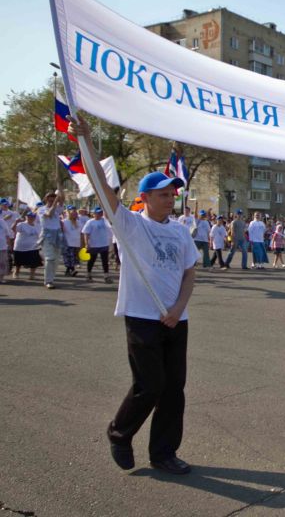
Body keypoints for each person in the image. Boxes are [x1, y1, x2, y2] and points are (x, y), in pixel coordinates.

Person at [70, 118, 199, 476]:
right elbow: (101, 186)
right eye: (163, 194)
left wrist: (177, 308)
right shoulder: (129, 225)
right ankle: (119, 433)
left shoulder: (181, 232)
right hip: (142, 316)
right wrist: (86, 143)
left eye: (173, 193)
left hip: (176, 319)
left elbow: (190, 273)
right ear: (144, 198)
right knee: (150, 385)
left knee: (174, 389)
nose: (171, 198)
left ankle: (163, 453)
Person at [37, 190, 65, 289]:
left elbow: (62, 199)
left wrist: (60, 184)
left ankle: (51, 279)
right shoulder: (41, 209)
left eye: (53, 197)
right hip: (47, 234)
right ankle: (48, 281)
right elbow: (49, 214)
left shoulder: (58, 209)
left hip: (57, 234)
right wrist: (55, 201)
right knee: (49, 259)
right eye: (49, 198)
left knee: (56, 260)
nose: (52, 200)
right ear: (46, 199)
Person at [82, 207, 113, 283]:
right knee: (92, 260)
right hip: (94, 245)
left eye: (100, 213)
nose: (99, 214)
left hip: (104, 244)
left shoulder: (105, 221)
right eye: (98, 213)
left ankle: (106, 276)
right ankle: (88, 274)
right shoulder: (90, 222)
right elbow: (86, 233)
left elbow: (111, 225)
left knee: (105, 261)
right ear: (94, 214)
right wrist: (86, 243)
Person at [12, 212, 42, 280]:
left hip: (33, 247)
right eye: (29, 216)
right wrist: (16, 222)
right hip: (20, 247)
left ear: (34, 218)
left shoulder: (38, 226)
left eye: (32, 217)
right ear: (26, 217)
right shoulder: (21, 224)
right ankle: (16, 272)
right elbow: (13, 229)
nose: (30, 218)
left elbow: (40, 235)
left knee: (34, 262)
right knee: (18, 262)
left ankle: (32, 275)